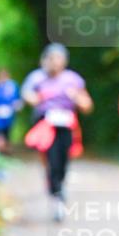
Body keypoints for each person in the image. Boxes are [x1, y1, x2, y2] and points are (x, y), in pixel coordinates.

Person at [22, 43, 93, 221]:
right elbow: (27, 95)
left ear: (65, 61)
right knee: (51, 159)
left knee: (63, 161)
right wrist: (37, 98)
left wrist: (75, 97)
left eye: (58, 58)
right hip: (45, 125)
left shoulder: (73, 79)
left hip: (66, 125)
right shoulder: (37, 77)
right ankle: (55, 191)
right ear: (45, 60)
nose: (54, 62)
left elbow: (87, 105)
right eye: (51, 58)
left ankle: (58, 187)